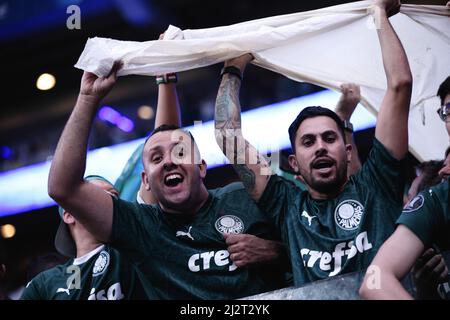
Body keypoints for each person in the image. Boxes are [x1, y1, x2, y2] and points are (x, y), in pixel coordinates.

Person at [47, 65, 289, 299]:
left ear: (202, 167)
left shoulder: (246, 196)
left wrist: (277, 251)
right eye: (156, 158)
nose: (168, 162)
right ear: (146, 180)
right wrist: (88, 98)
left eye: (180, 152)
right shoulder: (141, 228)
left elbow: (317, 242)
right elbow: (63, 188)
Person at [214, 0, 412, 286]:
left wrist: (378, 14)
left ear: (346, 151)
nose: (320, 146)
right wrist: (233, 67)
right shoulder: (286, 205)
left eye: (329, 138)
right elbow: (227, 136)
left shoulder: (377, 184)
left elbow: (400, 84)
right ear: (293, 163)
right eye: (308, 142)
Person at [21, 176, 146, 300]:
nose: (110, 198)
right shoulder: (53, 281)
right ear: (69, 215)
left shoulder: (132, 247)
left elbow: (149, 186)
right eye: (97, 194)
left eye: (114, 194)